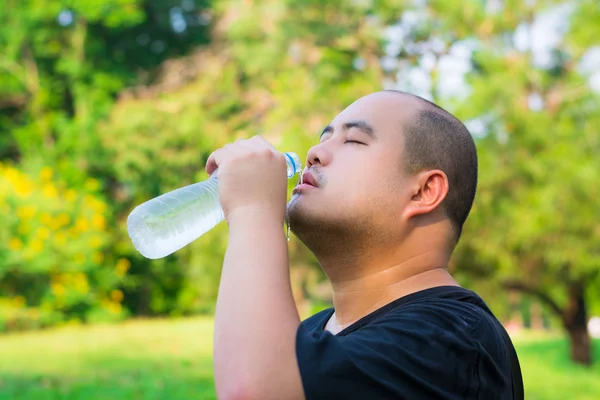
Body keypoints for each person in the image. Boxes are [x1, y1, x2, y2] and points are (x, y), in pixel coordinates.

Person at [206, 90, 523, 400]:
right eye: (324, 136)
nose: (315, 153)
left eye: (353, 140)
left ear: (424, 191)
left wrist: (253, 210)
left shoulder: (455, 339)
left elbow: (253, 392)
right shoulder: (314, 333)